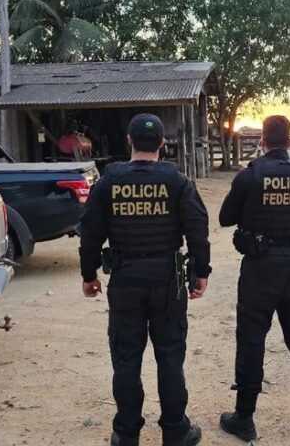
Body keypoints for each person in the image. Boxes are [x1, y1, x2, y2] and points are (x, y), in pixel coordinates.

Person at [79, 113, 211, 446]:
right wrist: (201, 273)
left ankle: (126, 433)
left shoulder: (108, 181)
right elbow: (198, 230)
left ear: (129, 142)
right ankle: (175, 430)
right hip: (167, 281)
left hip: (124, 279)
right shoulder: (178, 181)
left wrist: (89, 274)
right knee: (169, 355)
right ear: (163, 145)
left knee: (126, 357)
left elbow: (90, 233)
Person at [217, 115, 290, 440]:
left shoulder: (250, 175)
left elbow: (224, 218)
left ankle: (244, 417)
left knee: (251, 339)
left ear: (262, 140)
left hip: (259, 268)